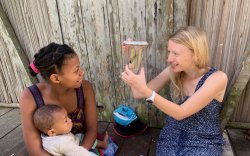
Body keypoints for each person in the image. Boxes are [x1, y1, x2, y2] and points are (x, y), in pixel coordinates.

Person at [121, 26, 228, 156]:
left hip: (204, 142)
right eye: (169, 52)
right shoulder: (173, 71)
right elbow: (138, 93)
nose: (169, 59)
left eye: (176, 53)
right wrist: (133, 57)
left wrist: (147, 92)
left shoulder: (217, 78)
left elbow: (181, 113)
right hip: (172, 138)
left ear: (196, 54)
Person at [19, 42, 108, 155]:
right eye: (76, 70)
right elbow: (35, 149)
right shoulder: (30, 97)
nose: (82, 72)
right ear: (56, 78)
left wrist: (79, 153)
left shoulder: (85, 88)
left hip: (82, 146)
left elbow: (92, 130)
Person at [33, 104, 98, 156]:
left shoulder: (47, 136)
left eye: (67, 117)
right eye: (66, 120)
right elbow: (78, 153)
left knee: (81, 136)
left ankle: (101, 144)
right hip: (74, 151)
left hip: (72, 143)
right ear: (52, 132)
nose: (70, 120)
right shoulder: (62, 143)